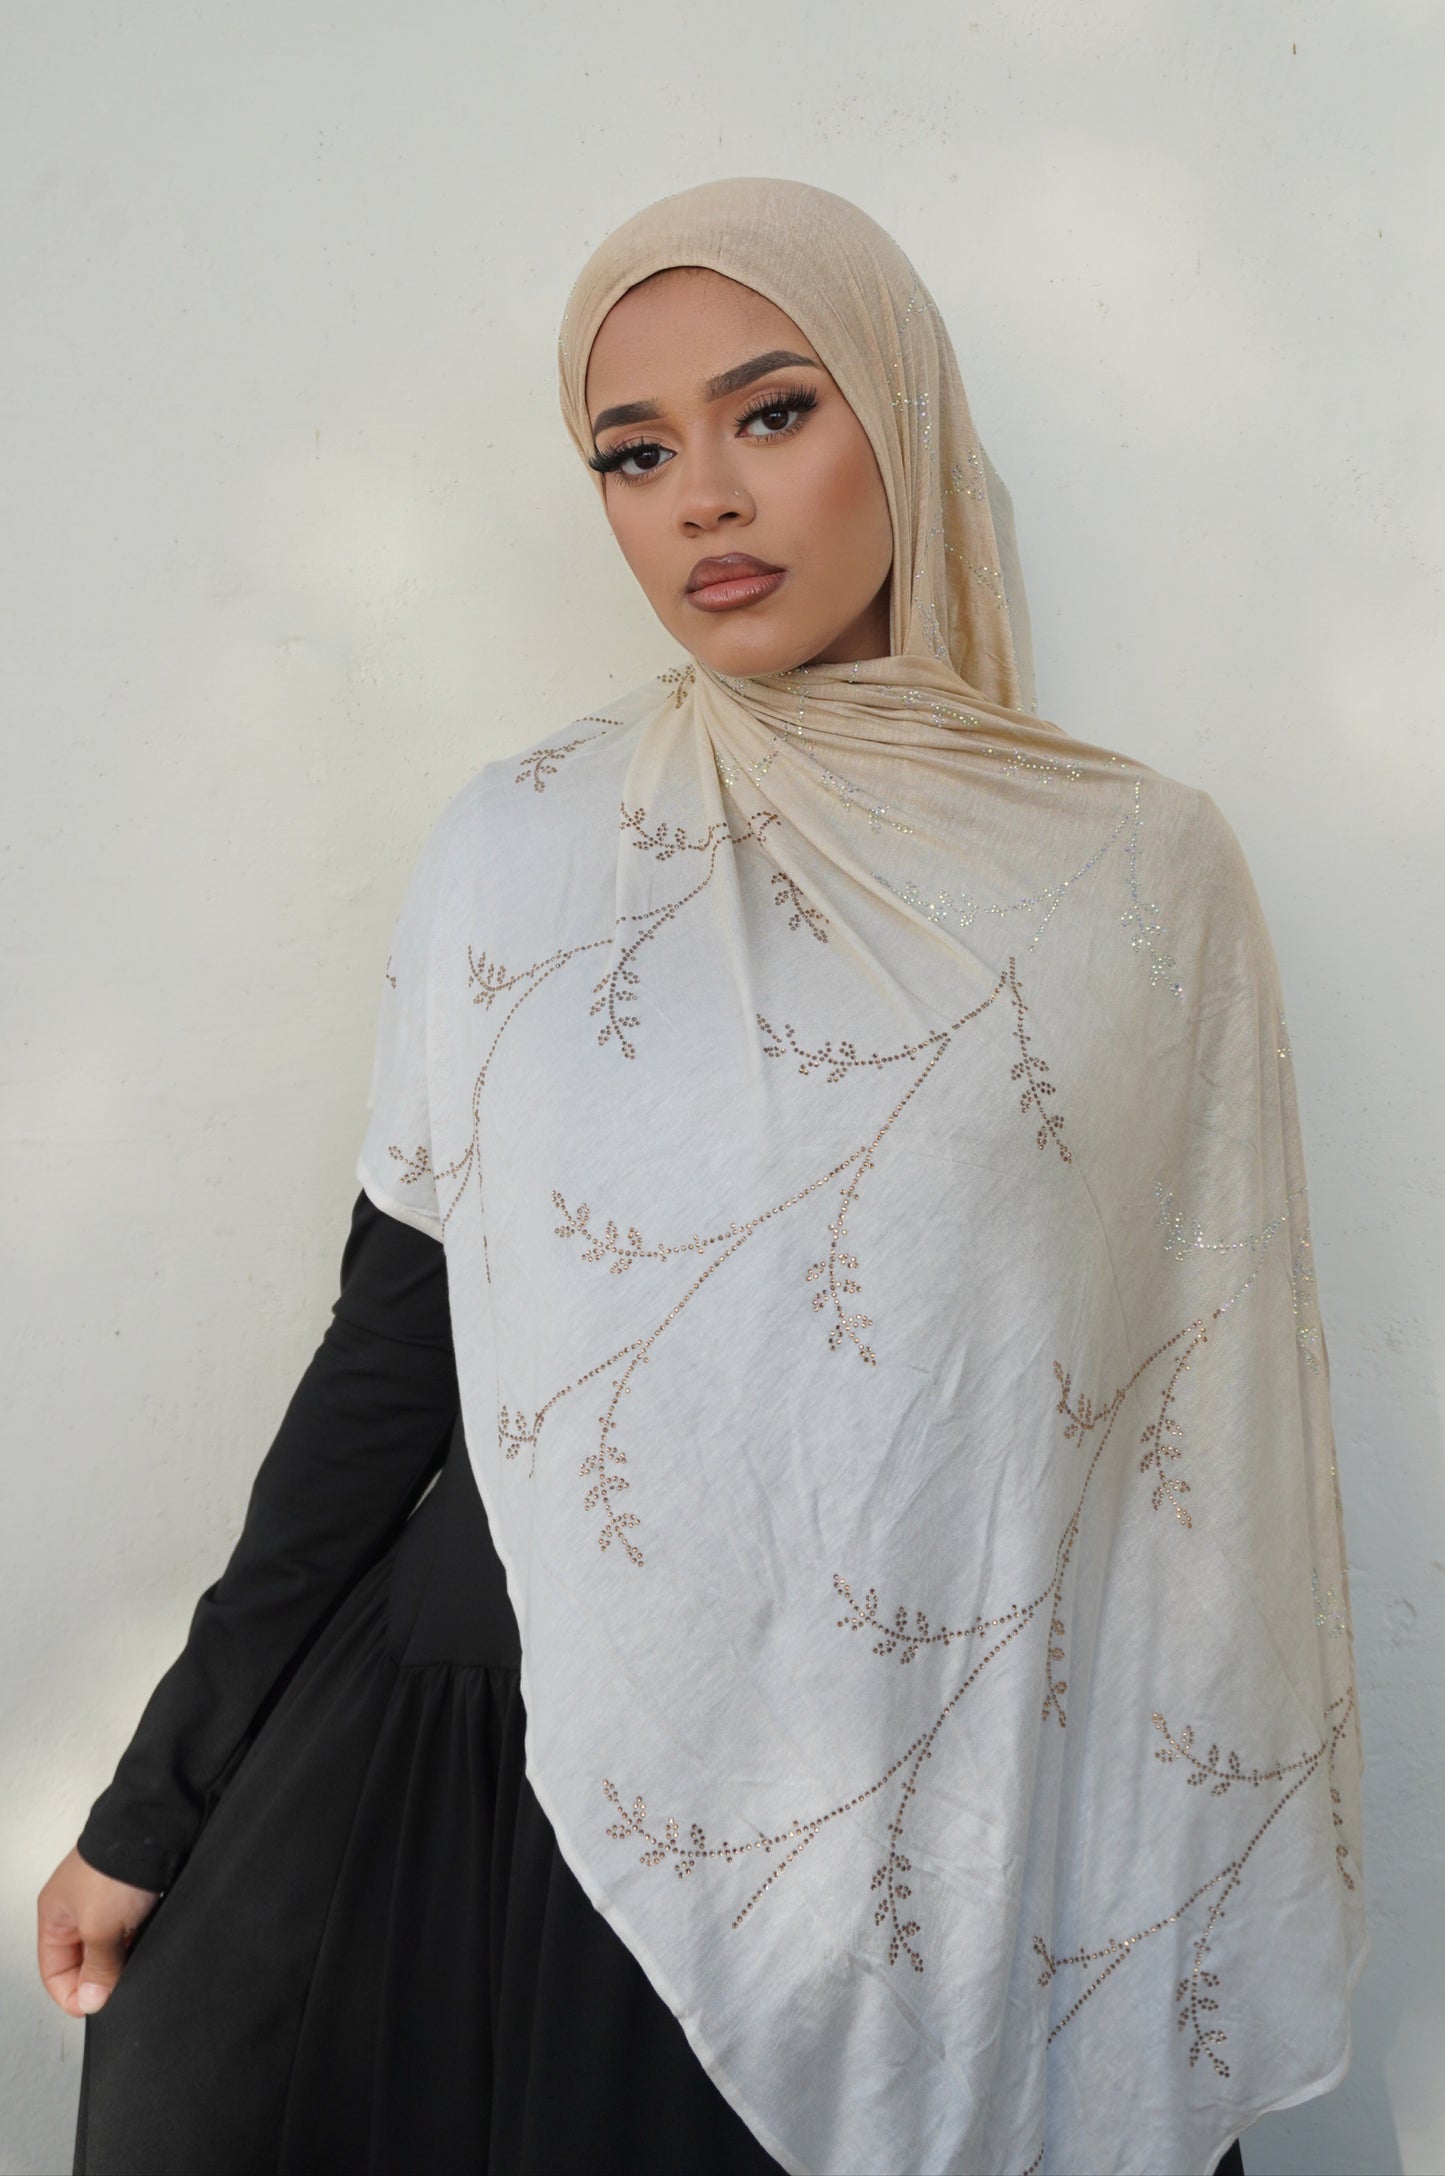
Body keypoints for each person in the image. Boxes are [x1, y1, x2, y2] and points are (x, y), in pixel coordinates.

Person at [40, 177, 1364, 2176]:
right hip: (514, 1778)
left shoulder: (1132, 880)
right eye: (634, 452)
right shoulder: (522, 850)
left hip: (922, 1830)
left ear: (897, 418)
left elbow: (1176, 1461)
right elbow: (394, 1351)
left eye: (771, 412)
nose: (704, 499)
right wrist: (158, 1798)